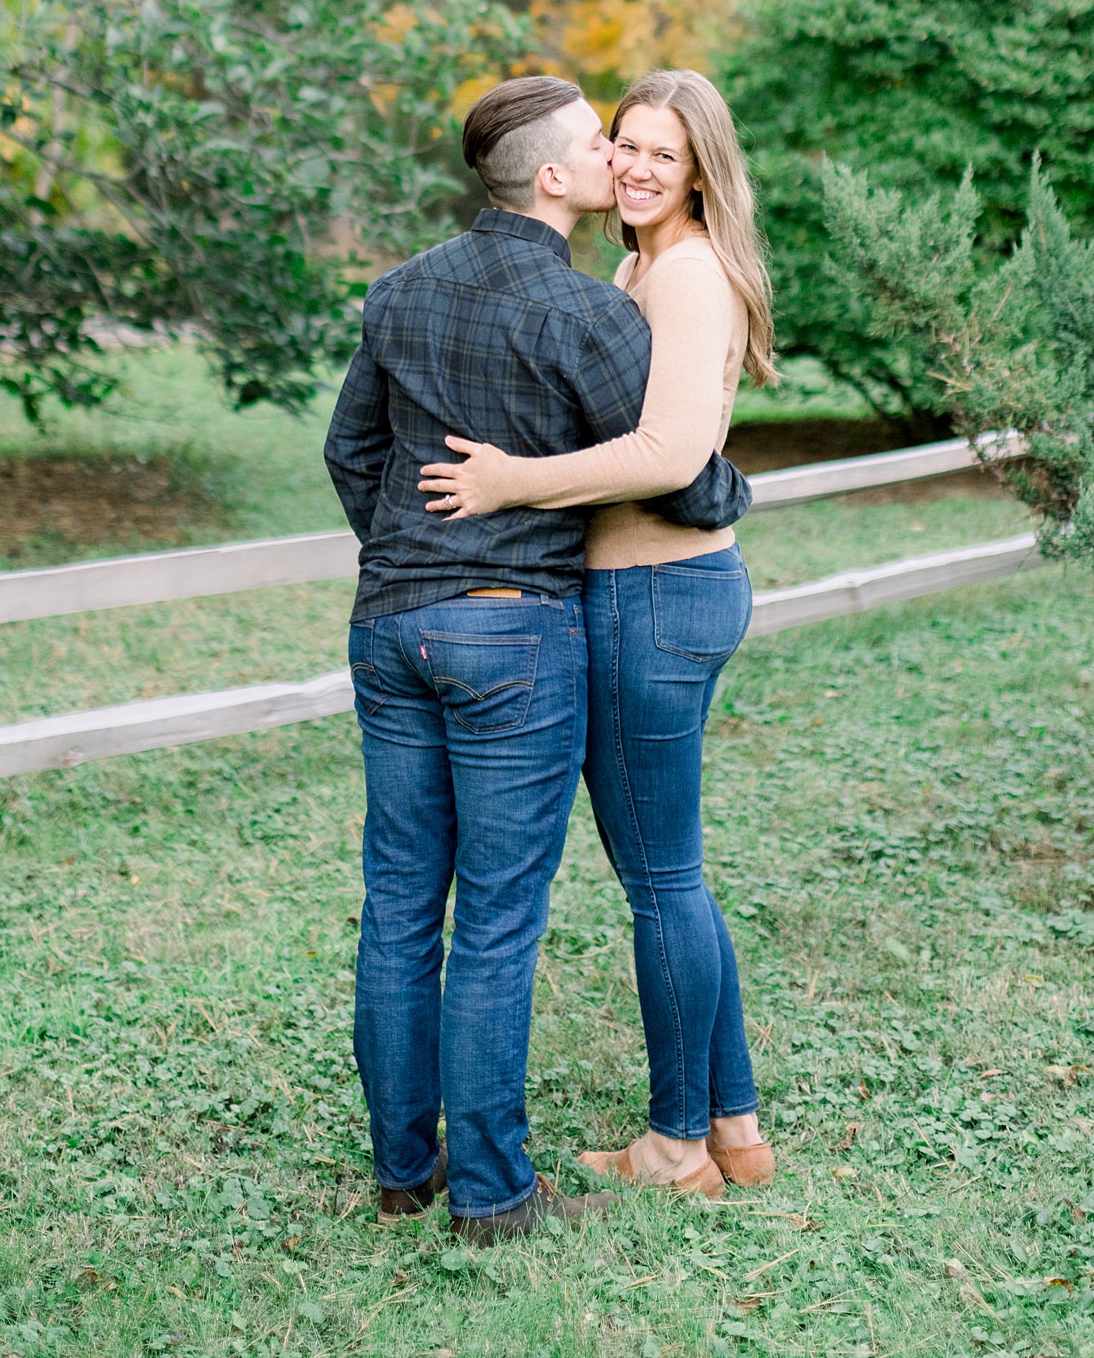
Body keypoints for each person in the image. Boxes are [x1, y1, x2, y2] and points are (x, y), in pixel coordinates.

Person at [323, 75, 747, 1245]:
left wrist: (409, 556)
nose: (618, 156)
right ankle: (494, 1193)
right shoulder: (588, 314)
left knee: (401, 902)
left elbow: (348, 449)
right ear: (554, 178)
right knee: (500, 917)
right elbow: (684, 470)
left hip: (390, 622)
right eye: (600, 144)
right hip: (515, 629)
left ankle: (405, 1170)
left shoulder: (398, 292)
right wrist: (728, 486)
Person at [419, 69, 778, 1200]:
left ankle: (675, 1146)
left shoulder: (683, 277)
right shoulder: (642, 263)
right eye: (624, 142)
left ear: (701, 171)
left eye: (662, 155)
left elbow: (671, 456)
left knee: (660, 881)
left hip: (652, 598)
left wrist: (513, 482)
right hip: (658, 594)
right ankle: (732, 1122)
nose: (633, 166)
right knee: (672, 877)